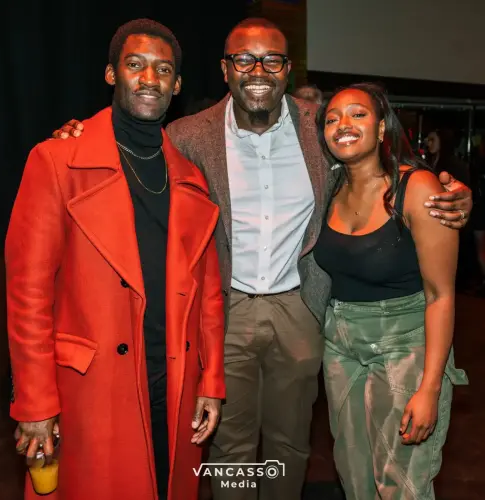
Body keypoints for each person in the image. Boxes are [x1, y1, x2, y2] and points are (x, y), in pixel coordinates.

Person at [51, 18, 473, 500]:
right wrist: (78, 134)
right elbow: (129, 147)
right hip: (225, 310)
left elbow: (376, 164)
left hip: (301, 309)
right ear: (225, 69)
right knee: (227, 445)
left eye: (272, 60)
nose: (258, 70)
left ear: (287, 70)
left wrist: (450, 191)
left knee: (290, 443)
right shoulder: (187, 135)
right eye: (244, 59)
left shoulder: (321, 125)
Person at [6, 19, 225, 500]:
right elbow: (28, 296)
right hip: (91, 387)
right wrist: (35, 402)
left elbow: (209, 295)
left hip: (173, 380)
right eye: (135, 65)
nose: (150, 79)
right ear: (111, 74)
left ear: (177, 85)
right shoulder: (57, 161)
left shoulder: (190, 178)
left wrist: (211, 379)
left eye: (163, 70)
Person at [310, 83, 468, 499]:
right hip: (340, 346)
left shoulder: (417, 188)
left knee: (402, 483)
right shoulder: (328, 187)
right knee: (354, 476)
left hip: (405, 342)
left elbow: (441, 296)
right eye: (332, 118)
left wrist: (430, 387)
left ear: (381, 128)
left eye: (358, 114)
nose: (343, 124)